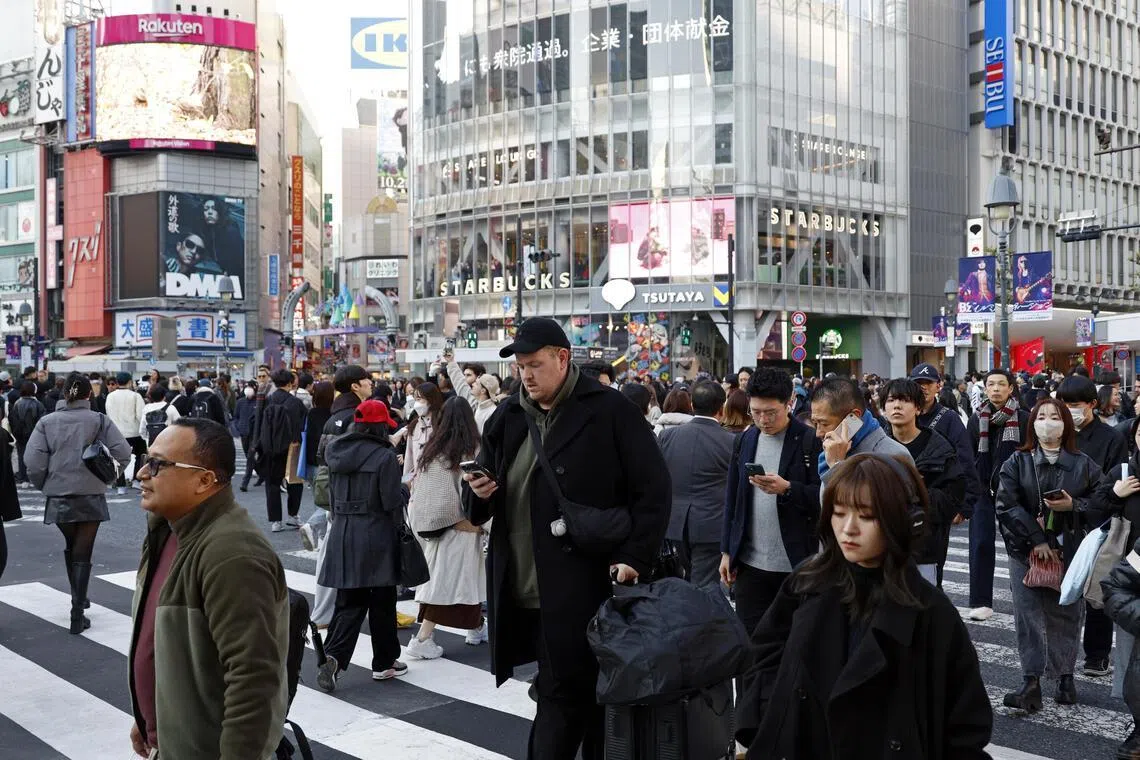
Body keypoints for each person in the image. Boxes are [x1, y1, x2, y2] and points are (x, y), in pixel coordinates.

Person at [462, 317, 670, 760]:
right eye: (520, 367)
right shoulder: (509, 415)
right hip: (522, 583)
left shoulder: (609, 411)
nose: (527, 375)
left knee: (565, 695)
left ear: (562, 358)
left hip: (587, 583)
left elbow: (653, 490)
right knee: (576, 694)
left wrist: (636, 555)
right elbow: (485, 487)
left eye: (535, 364)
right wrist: (478, 493)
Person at [735, 454, 993, 757]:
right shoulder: (807, 583)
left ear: (902, 519)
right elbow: (763, 655)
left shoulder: (931, 611)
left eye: (866, 516)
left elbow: (965, 725)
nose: (848, 529)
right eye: (839, 513)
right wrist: (771, 719)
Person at [128, 418, 289, 758]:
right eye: (146, 459)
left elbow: (253, 679)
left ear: (204, 481)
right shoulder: (168, 530)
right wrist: (149, 718)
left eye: (157, 464)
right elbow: (162, 644)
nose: (142, 473)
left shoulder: (232, 552)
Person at [995, 398, 1107, 710]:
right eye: (1041, 416)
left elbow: (1103, 502)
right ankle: (1030, 681)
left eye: (1055, 417)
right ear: (1032, 424)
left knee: (1066, 613)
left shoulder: (1084, 463)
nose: (1048, 422)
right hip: (1024, 552)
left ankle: (1065, 678)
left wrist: (1075, 506)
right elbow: (1006, 505)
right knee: (1028, 615)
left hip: (1069, 550)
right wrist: (1035, 540)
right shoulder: (1017, 462)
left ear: (1066, 424)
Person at [25, 373, 130, 634]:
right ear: (88, 395)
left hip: (59, 494)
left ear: (64, 395)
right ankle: (77, 610)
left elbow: (33, 462)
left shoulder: (47, 422)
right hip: (91, 493)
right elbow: (124, 452)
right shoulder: (98, 420)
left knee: (71, 547)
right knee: (83, 551)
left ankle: (78, 601)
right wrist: (108, 476)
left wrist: (45, 484)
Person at [314, 400, 409, 691]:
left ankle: (334, 657)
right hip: (376, 533)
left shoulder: (335, 451)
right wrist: (405, 492)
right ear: (381, 426)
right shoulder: (384, 456)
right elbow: (392, 501)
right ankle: (385, 662)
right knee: (383, 600)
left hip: (343, 532)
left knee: (349, 600)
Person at [722, 368, 823, 637]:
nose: (763, 419)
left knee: (794, 648)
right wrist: (727, 550)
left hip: (796, 564)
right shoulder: (746, 438)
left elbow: (825, 496)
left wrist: (788, 489)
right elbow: (733, 499)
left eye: (771, 412)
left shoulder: (810, 440)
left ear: (789, 402)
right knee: (750, 647)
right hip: (750, 566)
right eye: (755, 412)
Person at [1053, 374, 1128, 679]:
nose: (1067, 409)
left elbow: (1113, 483)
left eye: (1074, 404)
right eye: (1062, 403)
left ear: (1092, 405)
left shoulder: (1111, 439)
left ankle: (1097, 654)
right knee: (1060, 589)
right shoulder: (1057, 433)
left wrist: (1081, 504)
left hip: (1098, 522)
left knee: (1097, 587)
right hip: (1059, 520)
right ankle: (1061, 653)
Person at [406, 397, 488, 659]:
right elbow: (478, 491)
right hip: (460, 526)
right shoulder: (471, 450)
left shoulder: (433, 449)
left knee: (458, 582)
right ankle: (422, 639)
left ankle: (477, 627)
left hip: (433, 526)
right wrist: (483, 523)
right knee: (449, 585)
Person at [880, 378, 966, 586]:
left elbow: (952, 498)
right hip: (882, 547)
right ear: (883, 408)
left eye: (905, 400)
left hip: (925, 548)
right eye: (891, 400)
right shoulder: (875, 448)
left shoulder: (939, 449)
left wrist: (914, 493)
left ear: (918, 408)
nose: (897, 406)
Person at [965, 368, 1031, 622]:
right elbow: (969, 455)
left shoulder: (1023, 418)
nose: (994, 389)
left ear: (1010, 388)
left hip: (1015, 491)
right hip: (982, 488)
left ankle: (1024, 595)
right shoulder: (976, 418)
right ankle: (981, 601)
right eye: (990, 384)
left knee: (1019, 542)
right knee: (980, 541)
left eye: (1000, 384)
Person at [658, 381, 735, 589]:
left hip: (674, 523)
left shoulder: (667, 436)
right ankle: (696, 620)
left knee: (685, 581)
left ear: (692, 405)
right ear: (722, 408)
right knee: (703, 586)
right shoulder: (731, 442)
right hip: (711, 523)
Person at [810, 376, 912, 489]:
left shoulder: (894, 456)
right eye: (815, 423)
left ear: (853, 417)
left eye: (824, 424)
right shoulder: (832, 452)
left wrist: (837, 467)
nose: (818, 433)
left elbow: (855, 505)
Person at [909, 363, 980, 518]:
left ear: (938, 386)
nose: (923, 388)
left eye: (928, 383)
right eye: (918, 384)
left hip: (936, 500)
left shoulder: (949, 418)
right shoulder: (903, 415)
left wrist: (965, 504)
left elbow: (965, 459)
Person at [254, 369, 308, 532]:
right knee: (294, 482)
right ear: (291, 382)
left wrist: (257, 445)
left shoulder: (267, 400)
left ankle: (276, 521)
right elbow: (303, 423)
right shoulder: (296, 403)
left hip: (269, 448)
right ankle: (293, 515)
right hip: (292, 447)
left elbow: (258, 423)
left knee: (272, 484)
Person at [298, 381, 334, 552]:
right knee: (327, 502)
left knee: (317, 499)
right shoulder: (333, 414)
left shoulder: (311, 413)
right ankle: (312, 527)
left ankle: (320, 538)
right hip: (326, 464)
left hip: (312, 462)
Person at [399, 382, 446, 491]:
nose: (416, 404)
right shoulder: (414, 425)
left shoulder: (443, 424)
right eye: (415, 399)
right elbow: (409, 457)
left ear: (431, 400)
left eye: (419, 399)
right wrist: (406, 484)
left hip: (439, 484)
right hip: (417, 485)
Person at [106, 371, 147, 495]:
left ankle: (120, 485)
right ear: (129, 382)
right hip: (134, 432)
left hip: (117, 432)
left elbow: (109, 413)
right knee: (141, 454)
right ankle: (136, 480)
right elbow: (141, 415)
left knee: (117, 458)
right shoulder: (135, 396)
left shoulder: (110, 396)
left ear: (117, 382)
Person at [9, 381, 45, 487]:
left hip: (19, 434)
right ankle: (33, 477)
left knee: (21, 455)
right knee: (35, 456)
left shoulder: (17, 403)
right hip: (35, 435)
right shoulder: (38, 404)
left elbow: (12, 419)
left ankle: (23, 478)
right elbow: (42, 420)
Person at [234, 381, 258, 491]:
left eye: (251, 387)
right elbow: (236, 416)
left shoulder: (259, 402)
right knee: (248, 456)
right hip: (243, 432)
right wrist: (238, 427)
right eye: (247, 386)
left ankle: (245, 482)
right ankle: (262, 474)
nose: (248, 389)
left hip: (255, 433)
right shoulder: (240, 402)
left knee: (250, 456)